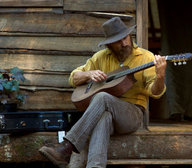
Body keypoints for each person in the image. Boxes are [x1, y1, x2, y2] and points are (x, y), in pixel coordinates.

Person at [39, 17, 167, 168]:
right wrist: (89, 74)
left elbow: (156, 92)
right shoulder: (100, 57)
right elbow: (73, 77)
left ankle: (66, 147)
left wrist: (160, 76)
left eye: (126, 38)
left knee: (102, 97)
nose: (124, 43)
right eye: (118, 41)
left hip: (132, 115)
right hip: (107, 114)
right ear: (109, 44)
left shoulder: (146, 57)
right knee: (102, 118)